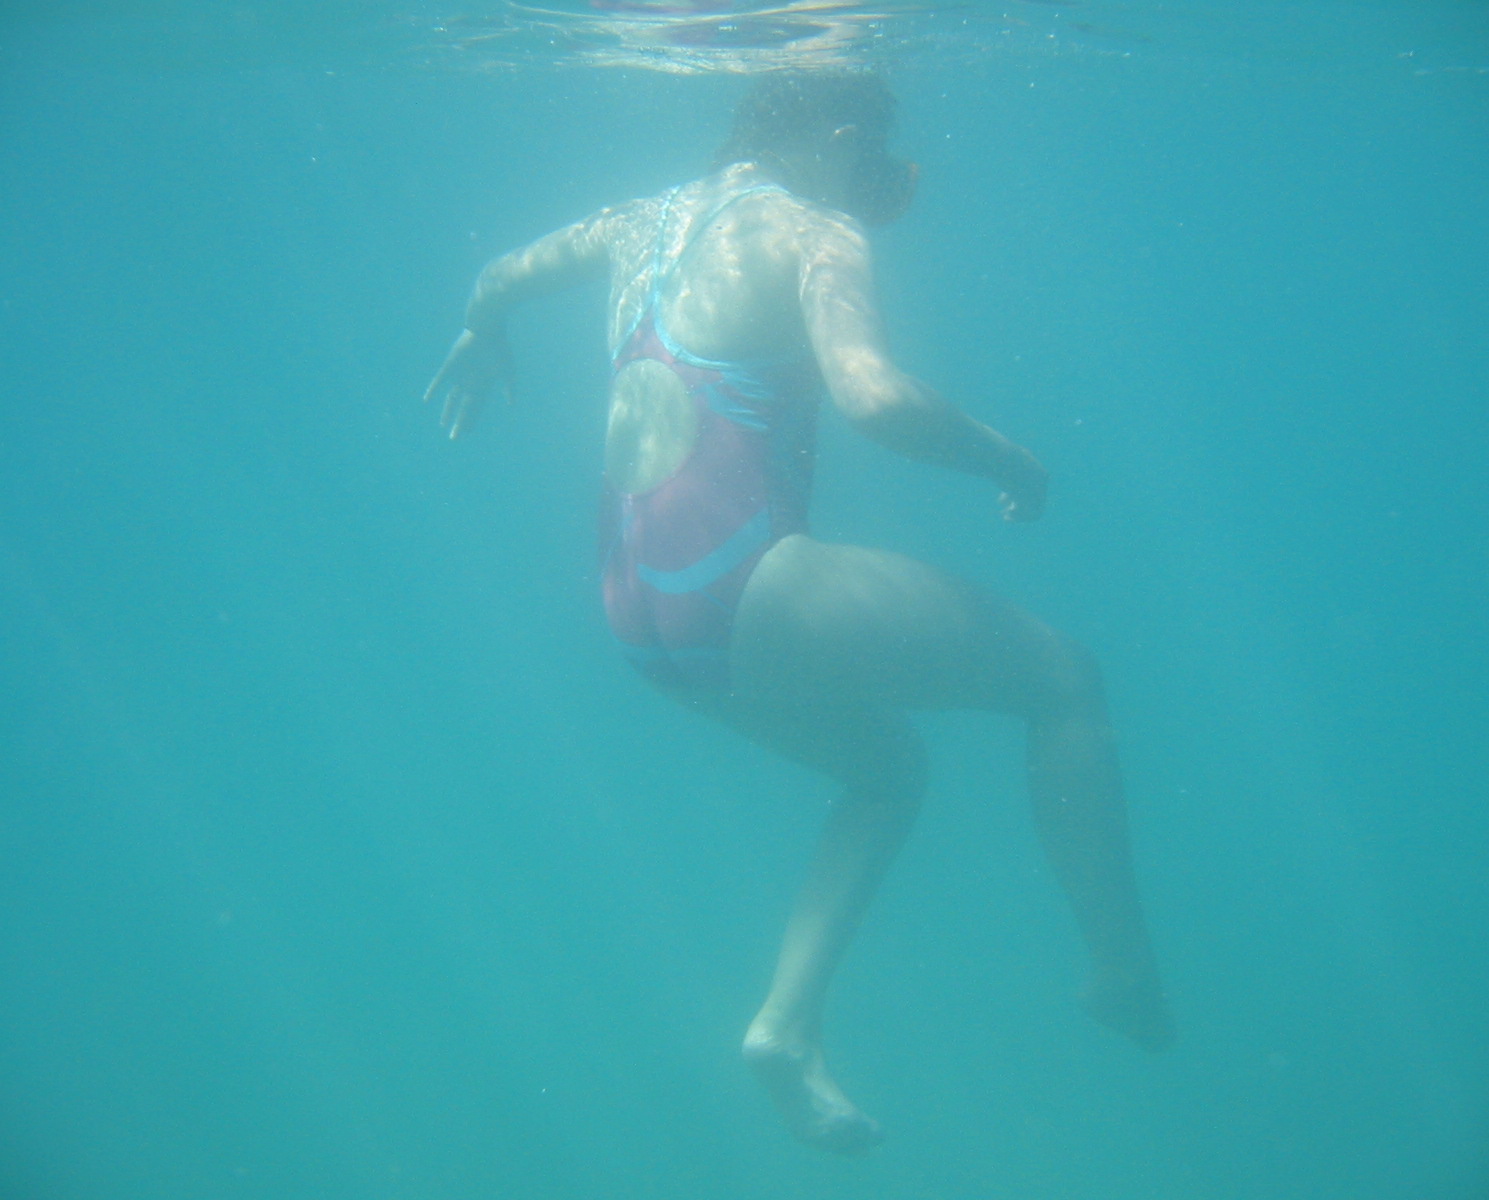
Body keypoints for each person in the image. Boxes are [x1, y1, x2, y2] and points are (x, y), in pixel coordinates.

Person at [426, 71, 1172, 1155]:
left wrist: (479, 331)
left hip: (636, 611)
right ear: (836, 132)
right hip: (746, 583)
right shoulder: (812, 230)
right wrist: (1007, 460)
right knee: (1064, 679)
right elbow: (873, 396)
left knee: (888, 772)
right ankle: (1120, 966)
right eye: (873, 153)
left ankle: (785, 1028)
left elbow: (497, 275)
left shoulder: (635, 220)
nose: (876, 180)